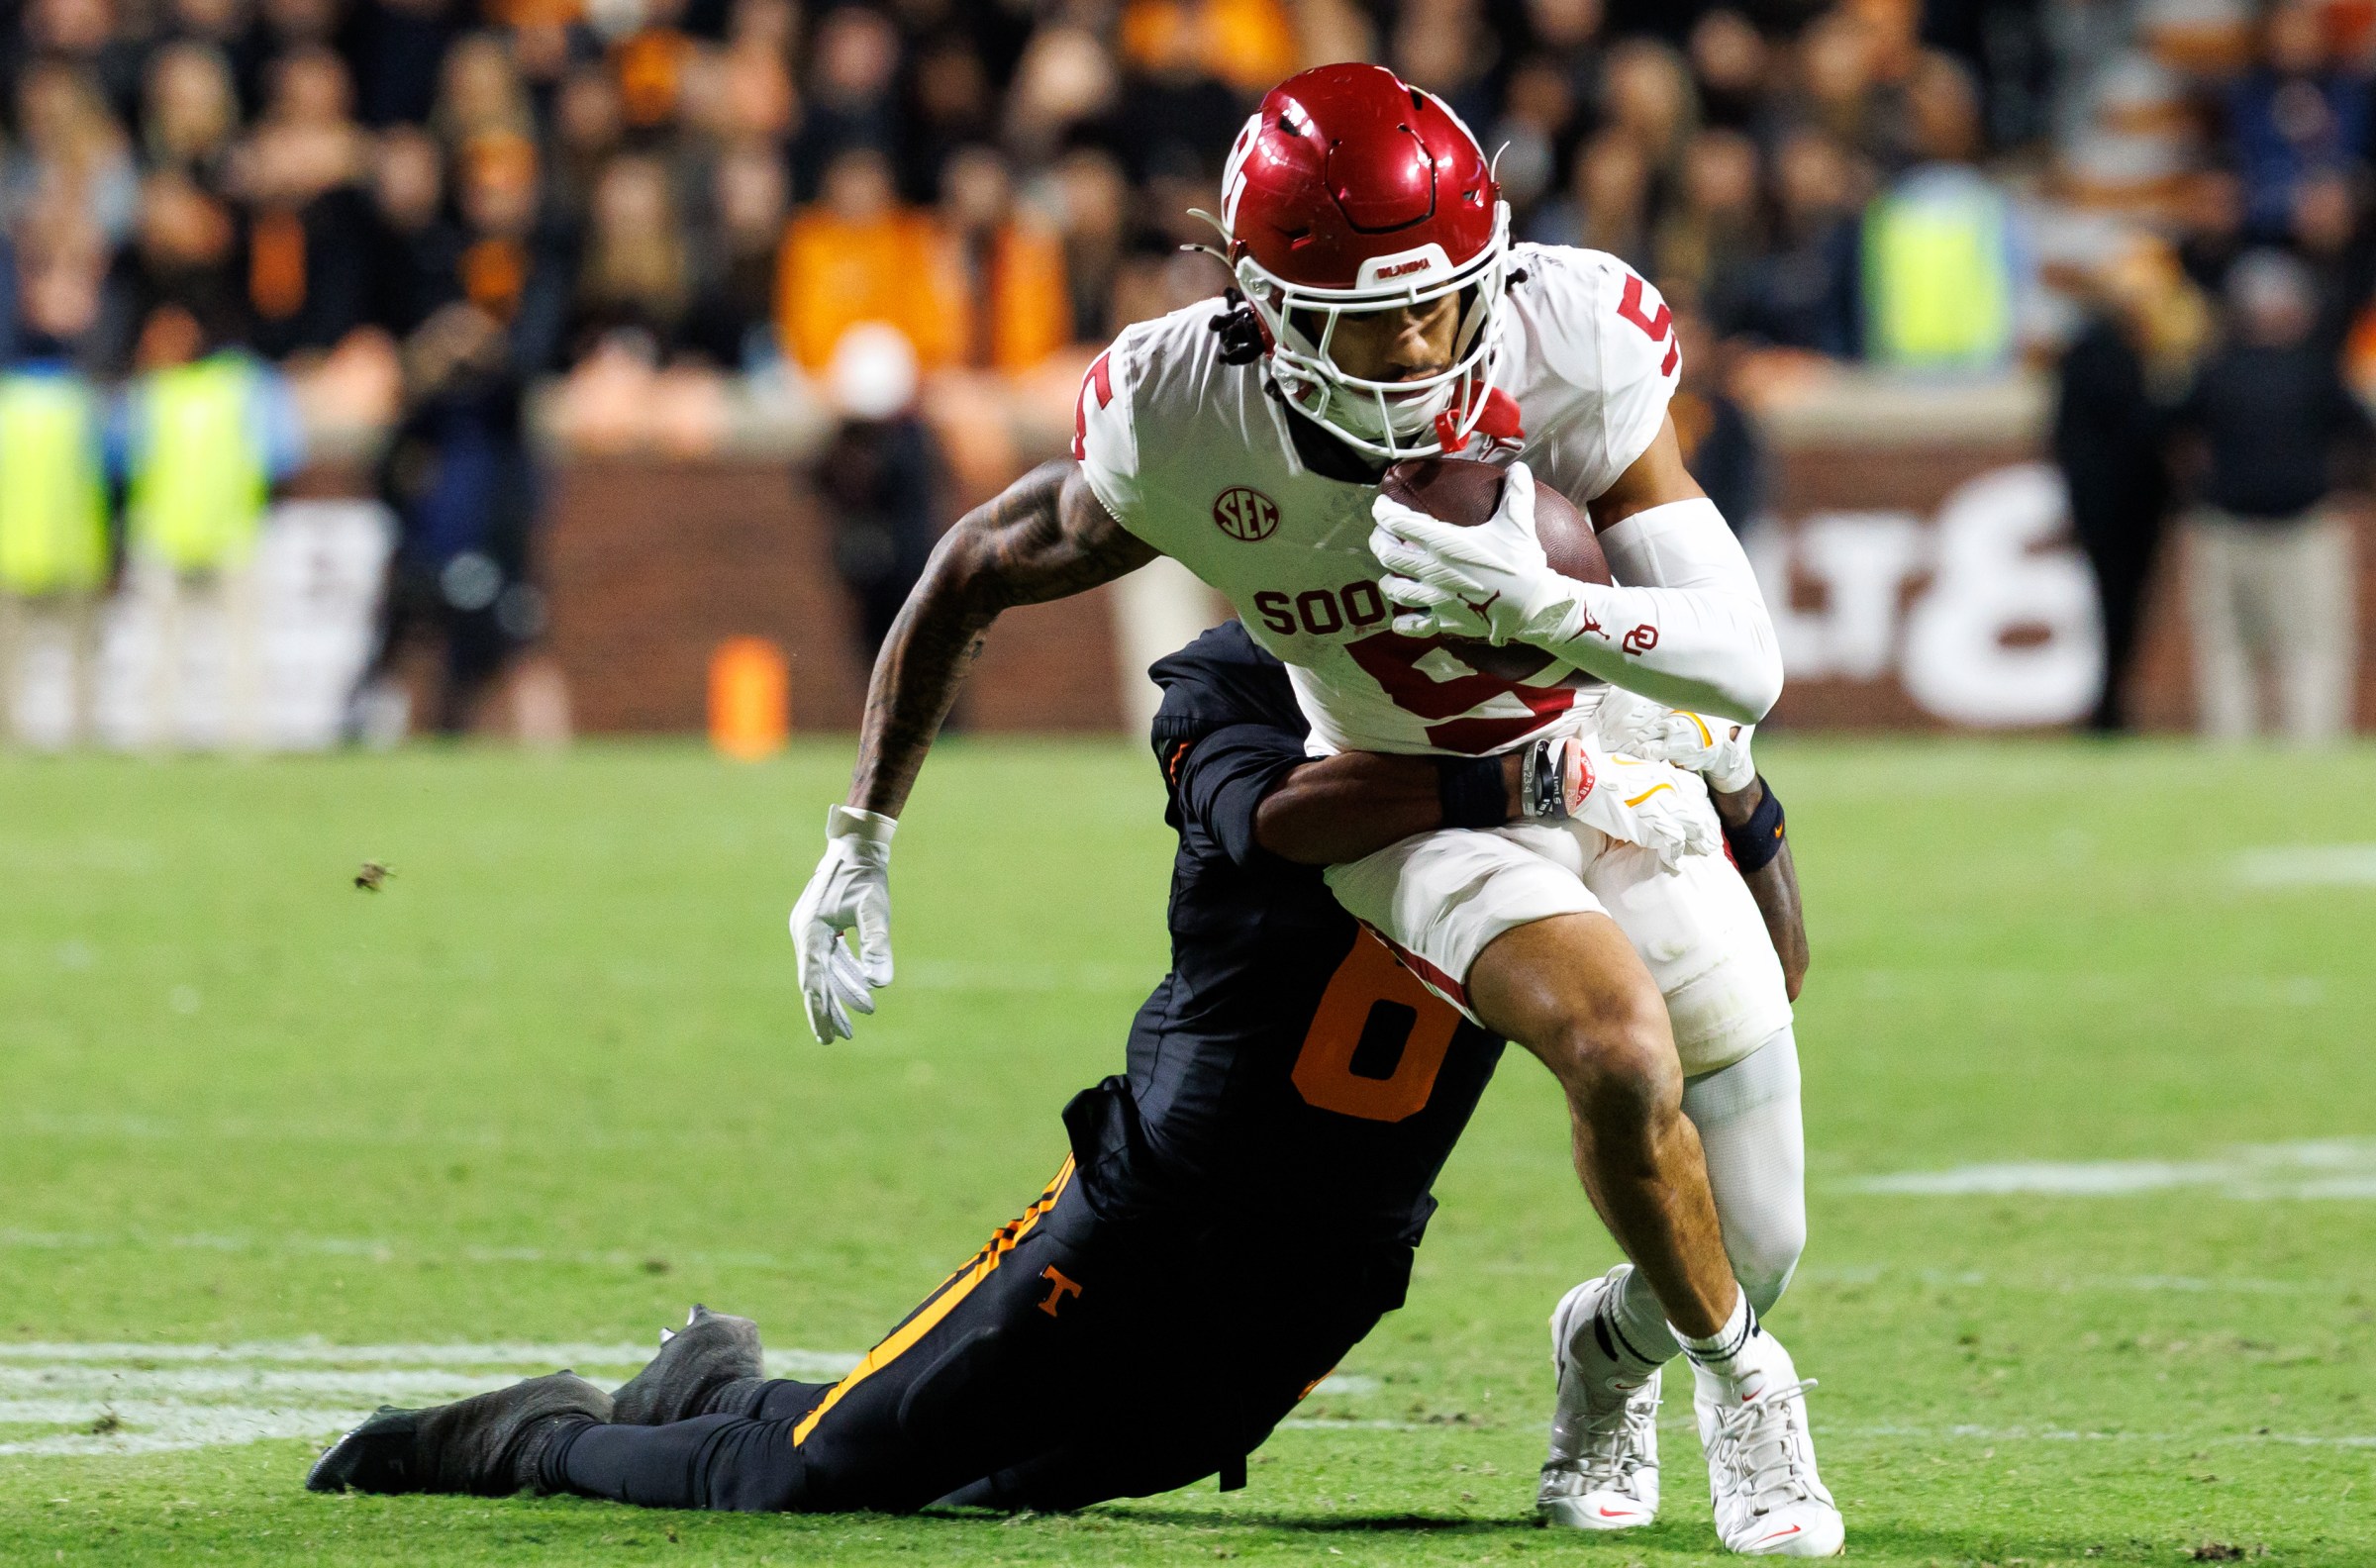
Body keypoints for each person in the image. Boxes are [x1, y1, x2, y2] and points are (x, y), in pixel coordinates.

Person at [788, 64, 1836, 1556]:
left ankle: (1608, 1356)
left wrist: (1544, 604)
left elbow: (1746, 658)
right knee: (1613, 1043)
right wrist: (861, 834)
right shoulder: (1183, 416)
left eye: (1437, 302)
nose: (1413, 345)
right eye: (1363, 318)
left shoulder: (1569, 334)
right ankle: (1750, 1388)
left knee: (1764, 1240)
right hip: (1426, 819)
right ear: (1264, 304)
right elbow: (975, 566)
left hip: (1609, 758)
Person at [309, 622, 1819, 1552]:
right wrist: (1527, 782)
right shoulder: (1250, 686)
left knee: (994, 1488)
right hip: (1140, 1224)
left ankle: (711, 1380)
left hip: (1333, 1275)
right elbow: (1275, 819)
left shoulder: (1540, 708)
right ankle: (530, 1436)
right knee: (813, 1484)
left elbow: (1756, 992)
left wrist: (1738, 795)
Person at [2171, 249, 2367, 744]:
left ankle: (2231, 754)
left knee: (2228, 652)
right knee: (2312, 647)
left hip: (2230, 526)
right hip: (2299, 527)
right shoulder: (2315, 370)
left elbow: (2165, 426)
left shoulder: (2216, 370)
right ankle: (2310, 754)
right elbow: (2362, 432)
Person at [2051, 240, 2207, 734]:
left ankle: (2113, 703)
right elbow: (2086, 431)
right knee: (2113, 601)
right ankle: (2108, 708)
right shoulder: (2099, 350)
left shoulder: (2155, 349)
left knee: (2128, 602)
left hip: (2141, 496)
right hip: (2110, 497)